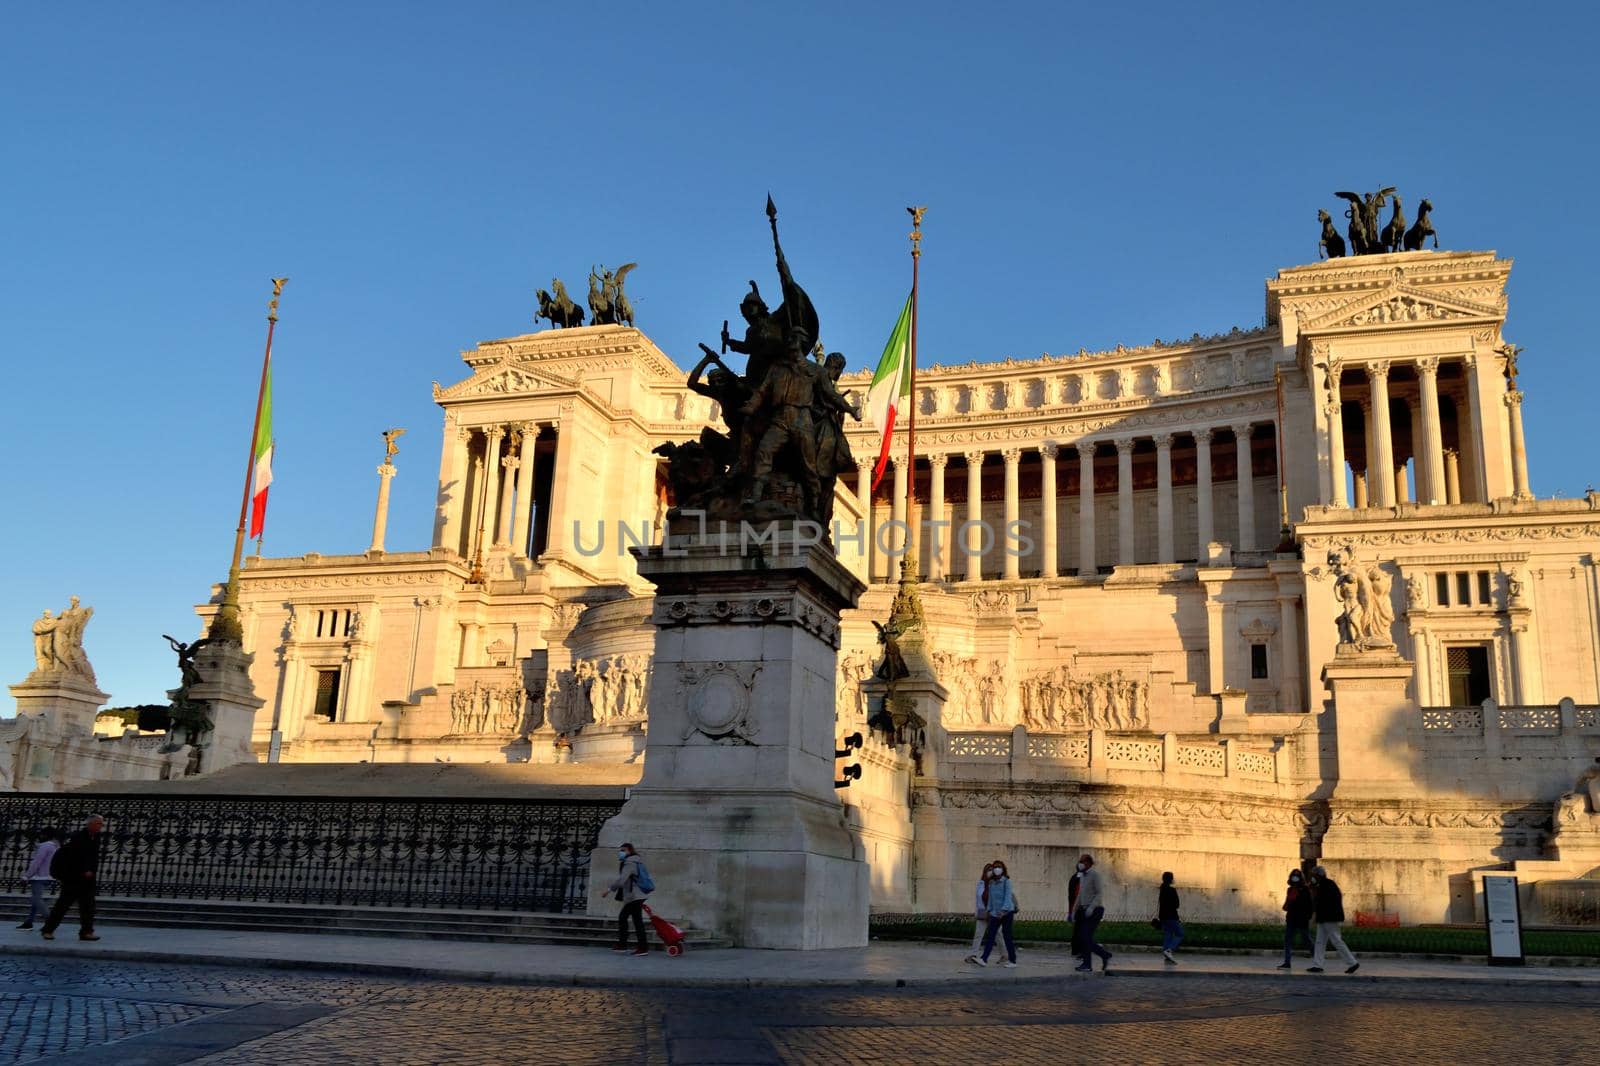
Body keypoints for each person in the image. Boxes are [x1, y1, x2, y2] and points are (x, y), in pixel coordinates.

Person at [40, 814, 103, 941]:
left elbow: (93, 857)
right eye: (98, 823)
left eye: (101, 824)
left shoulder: (95, 838)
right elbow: (72, 858)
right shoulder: (77, 837)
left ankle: (86, 932)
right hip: (73, 879)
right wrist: (83, 870)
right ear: (90, 824)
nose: (101, 826)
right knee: (62, 906)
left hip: (88, 880)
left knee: (88, 907)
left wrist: (91, 870)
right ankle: (48, 930)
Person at [1307, 865, 1359, 974]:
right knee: (1320, 941)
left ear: (1319, 875)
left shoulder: (1327, 885)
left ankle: (1352, 963)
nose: (1312, 877)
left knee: (1336, 940)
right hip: (1324, 918)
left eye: (1314, 875)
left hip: (1329, 918)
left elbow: (1323, 902)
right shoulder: (1324, 885)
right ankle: (1318, 965)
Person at [601, 842, 651, 957]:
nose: (621, 852)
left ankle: (627, 945)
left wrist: (608, 890)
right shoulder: (637, 861)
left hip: (634, 896)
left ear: (629, 850)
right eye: (621, 850)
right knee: (635, 921)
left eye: (623, 850)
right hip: (637, 895)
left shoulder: (630, 863)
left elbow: (622, 880)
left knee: (624, 918)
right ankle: (633, 946)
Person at [968, 859, 1019, 968]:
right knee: (990, 936)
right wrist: (989, 911)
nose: (996, 869)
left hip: (1006, 913)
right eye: (995, 867)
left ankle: (1012, 961)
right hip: (995, 914)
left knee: (1007, 936)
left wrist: (1004, 910)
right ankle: (984, 959)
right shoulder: (991, 883)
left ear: (1003, 869)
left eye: (999, 867)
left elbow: (1007, 897)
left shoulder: (1006, 882)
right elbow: (991, 899)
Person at [1073, 854, 1113, 973]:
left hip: (1095, 910)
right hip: (1084, 910)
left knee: (1085, 937)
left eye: (1082, 861)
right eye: (1079, 861)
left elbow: (1099, 893)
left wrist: (1091, 908)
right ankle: (1101, 956)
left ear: (1089, 863)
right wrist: (1073, 911)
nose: (1080, 863)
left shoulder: (1095, 875)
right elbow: (1080, 895)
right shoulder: (1082, 876)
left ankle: (1089, 963)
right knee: (1084, 937)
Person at [16, 830, 64, 930]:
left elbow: (37, 862)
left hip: (40, 876)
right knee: (35, 901)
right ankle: (29, 922)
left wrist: (26, 876)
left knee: (36, 899)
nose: (40, 836)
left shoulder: (45, 846)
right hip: (50, 875)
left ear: (46, 836)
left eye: (42, 834)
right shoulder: (56, 847)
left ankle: (50, 921)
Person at [1278, 868, 1315, 969]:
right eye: (1293, 875)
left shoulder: (1305, 889)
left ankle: (1317, 957)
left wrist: (1308, 916)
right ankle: (1287, 962)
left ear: (1300, 877)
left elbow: (1310, 904)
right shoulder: (1290, 889)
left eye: (1297, 875)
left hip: (1302, 919)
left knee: (1306, 939)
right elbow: (1288, 903)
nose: (1295, 877)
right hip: (1291, 918)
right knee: (1288, 940)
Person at [964, 862, 995, 964]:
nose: (989, 872)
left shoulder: (995, 883)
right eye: (988, 870)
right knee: (978, 934)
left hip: (992, 912)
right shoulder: (981, 883)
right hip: (982, 912)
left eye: (991, 870)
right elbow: (978, 899)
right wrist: (976, 912)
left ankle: (1005, 955)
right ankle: (974, 954)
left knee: (998, 935)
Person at [1158, 871, 1183, 964]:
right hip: (1172, 916)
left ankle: (1166, 954)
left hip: (1163, 917)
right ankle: (1169, 950)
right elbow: (1177, 905)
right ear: (1171, 879)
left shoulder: (1162, 889)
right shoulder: (1172, 890)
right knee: (1180, 934)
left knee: (1168, 934)